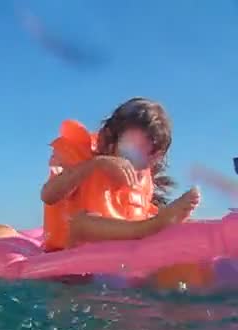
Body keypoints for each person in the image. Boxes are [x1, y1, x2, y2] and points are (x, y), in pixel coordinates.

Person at [40, 97, 200, 251]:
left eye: (145, 159)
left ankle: (153, 226)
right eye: (130, 152)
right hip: (69, 247)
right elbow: (48, 195)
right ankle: (149, 227)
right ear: (110, 140)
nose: (133, 165)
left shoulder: (144, 179)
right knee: (81, 223)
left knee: (176, 225)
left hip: (117, 246)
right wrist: (95, 164)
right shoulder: (84, 161)